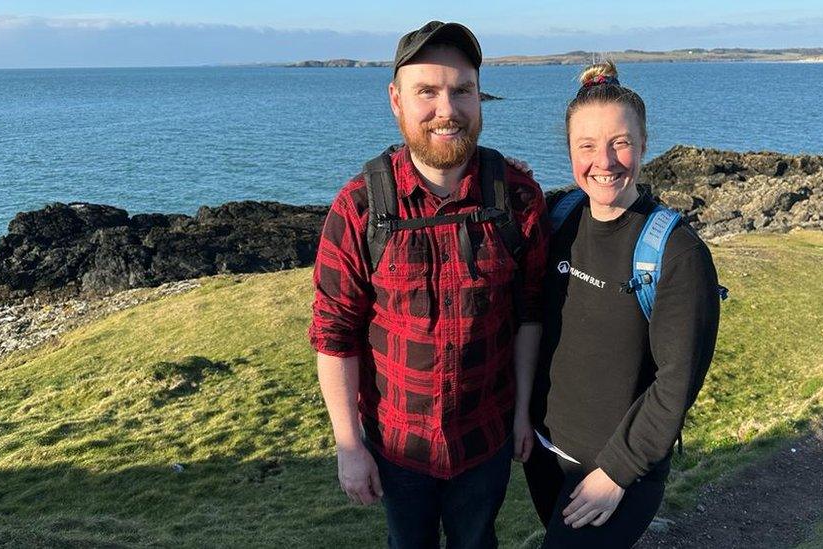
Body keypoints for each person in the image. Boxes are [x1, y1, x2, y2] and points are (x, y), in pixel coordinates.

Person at [307, 21, 549, 549]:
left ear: (479, 97)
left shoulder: (519, 198)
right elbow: (333, 334)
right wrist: (349, 446)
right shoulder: (360, 208)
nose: (447, 109)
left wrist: (523, 414)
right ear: (396, 100)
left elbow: (531, 313)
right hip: (398, 448)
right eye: (427, 91)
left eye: (462, 90)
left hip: (486, 439)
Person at [523, 60, 721, 548]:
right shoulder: (559, 218)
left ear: (644, 144)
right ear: (570, 151)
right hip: (545, 453)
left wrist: (616, 472)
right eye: (586, 146)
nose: (604, 162)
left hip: (618, 470)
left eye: (620, 143)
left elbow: (678, 380)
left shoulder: (677, 254)